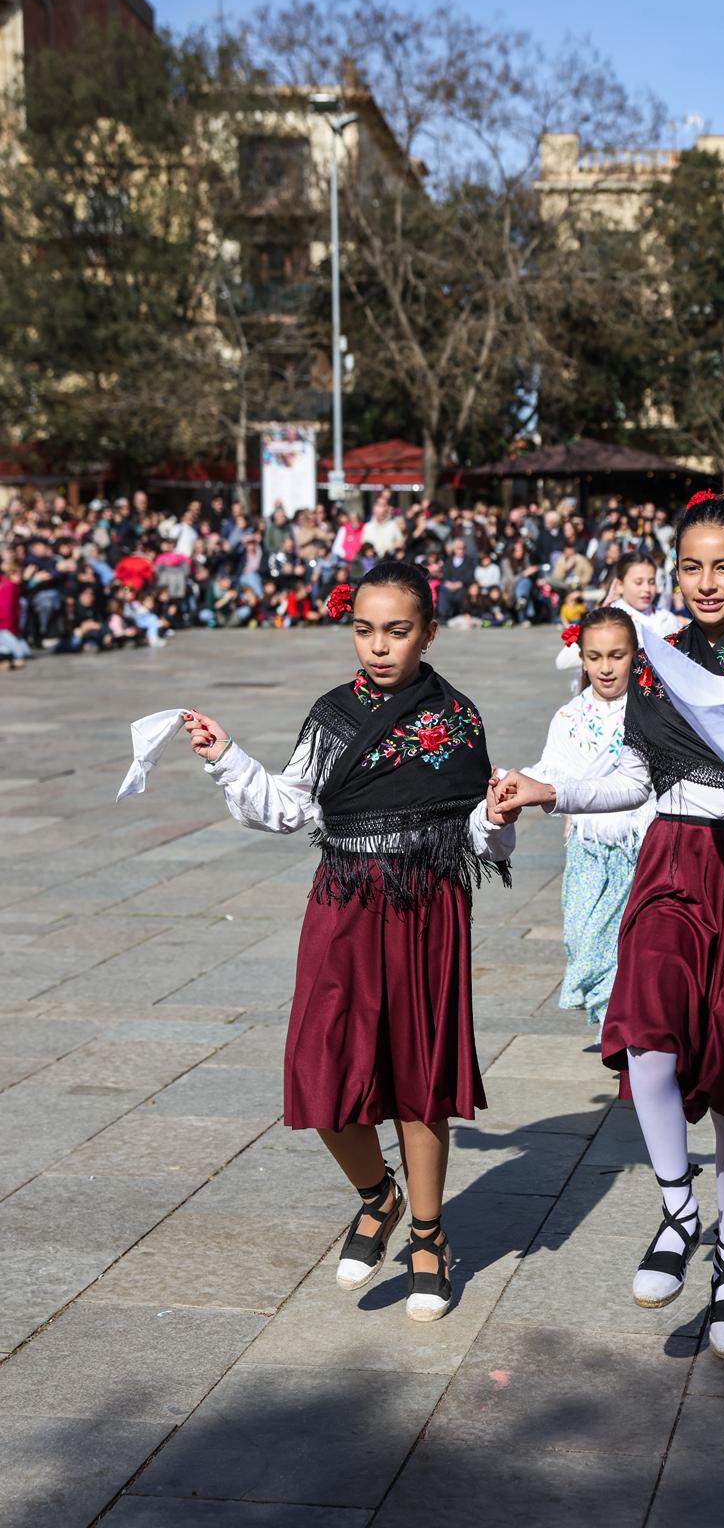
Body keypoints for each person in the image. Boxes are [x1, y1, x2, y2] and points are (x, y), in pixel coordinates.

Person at [493, 490, 724, 1361]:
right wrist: (549, 788)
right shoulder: (657, 660)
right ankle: (679, 1209)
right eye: (692, 566)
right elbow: (633, 774)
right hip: (673, 858)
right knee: (646, 1030)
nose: (706, 582)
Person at [182, 562, 516, 1324]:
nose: (378, 646)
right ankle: (379, 1195)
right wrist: (225, 756)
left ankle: (429, 1235)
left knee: (419, 1076)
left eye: (397, 631)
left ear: (428, 633)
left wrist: (496, 817)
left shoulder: (458, 718)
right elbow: (287, 808)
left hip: (428, 908)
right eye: (364, 630)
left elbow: (477, 840)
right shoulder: (331, 714)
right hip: (343, 902)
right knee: (322, 1067)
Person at [524, 606, 653, 1036]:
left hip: (640, 846)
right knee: (582, 937)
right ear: (581, 658)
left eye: (617, 655)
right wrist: (515, 783)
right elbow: (552, 769)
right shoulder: (568, 716)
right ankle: (613, 1020)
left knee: (630, 944)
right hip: (588, 848)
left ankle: (620, 1031)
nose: (606, 667)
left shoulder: (652, 709)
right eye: (595, 656)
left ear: (635, 654)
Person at [555, 551, 684, 676]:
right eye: (638, 582)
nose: (646, 589)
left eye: (651, 582)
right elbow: (563, 661)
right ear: (620, 585)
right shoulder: (610, 618)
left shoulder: (666, 618)